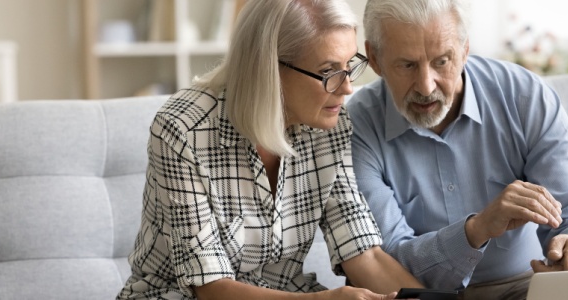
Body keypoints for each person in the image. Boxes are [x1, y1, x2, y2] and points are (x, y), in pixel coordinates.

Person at [116, 0, 423, 299]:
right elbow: (211, 288)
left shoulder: (331, 124)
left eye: (349, 66)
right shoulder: (182, 129)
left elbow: (363, 253)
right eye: (329, 71)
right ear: (268, 68)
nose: (346, 88)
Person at [346, 0, 568, 299]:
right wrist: (477, 228)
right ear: (375, 59)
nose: (425, 85)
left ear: (464, 49)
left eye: (441, 61)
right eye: (407, 65)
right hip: (423, 295)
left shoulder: (525, 96)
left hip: (526, 285)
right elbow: (387, 259)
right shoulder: (355, 127)